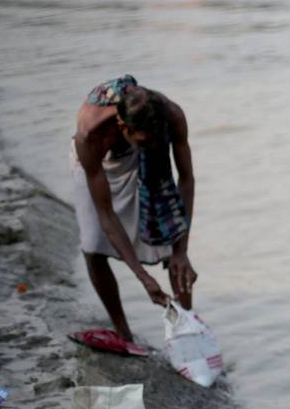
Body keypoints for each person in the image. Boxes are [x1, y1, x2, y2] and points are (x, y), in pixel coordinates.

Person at [71, 75, 196, 342]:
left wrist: (181, 250)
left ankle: (188, 328)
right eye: (142, 141)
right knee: (93, 246)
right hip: (98, 163)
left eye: (153, 139)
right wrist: (142, 277)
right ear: (122, 126)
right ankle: (124, 334)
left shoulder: (171, 117)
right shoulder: (90, 134)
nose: (148, 145)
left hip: (144, 155)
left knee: (170, 239)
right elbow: (105, 214)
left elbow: (186, 179)